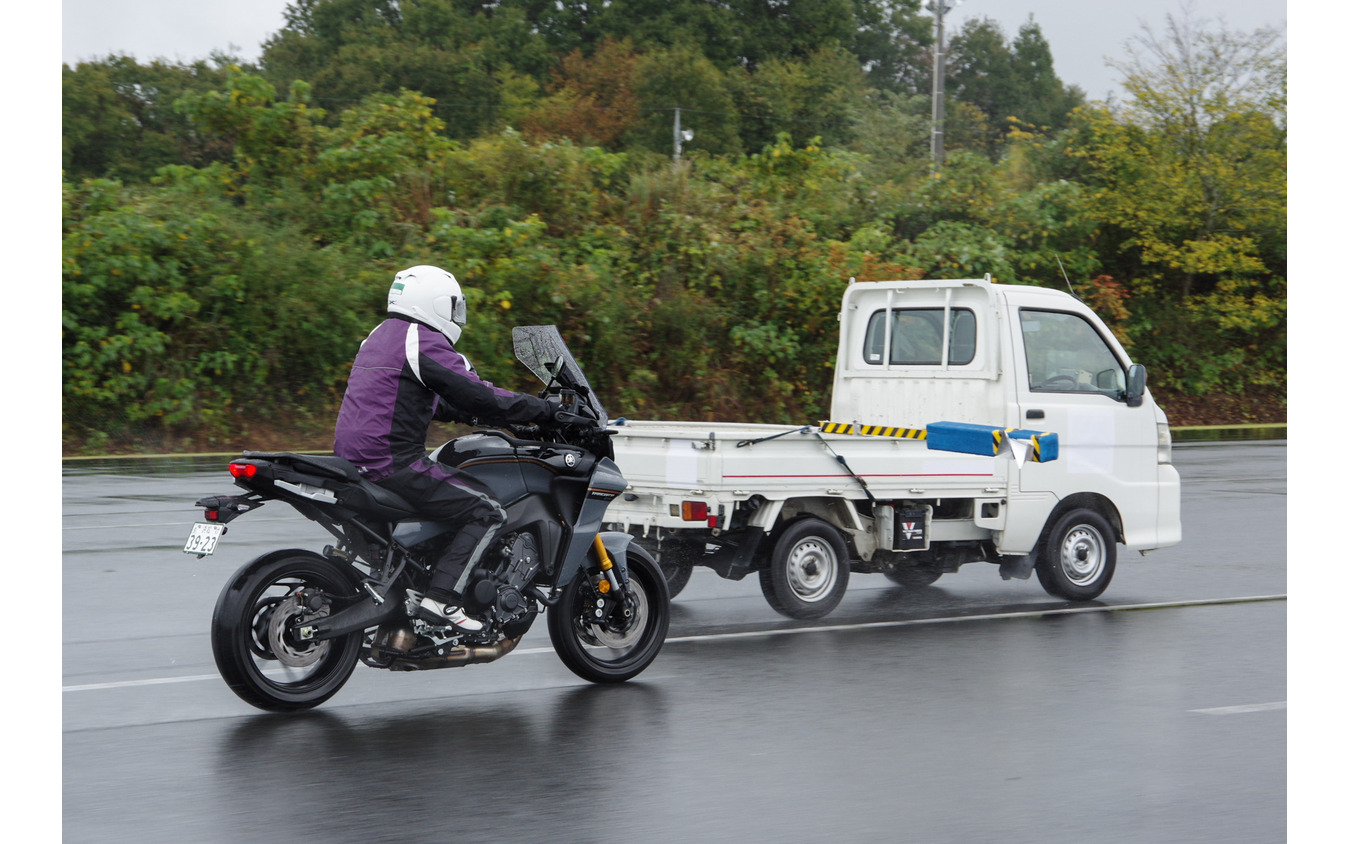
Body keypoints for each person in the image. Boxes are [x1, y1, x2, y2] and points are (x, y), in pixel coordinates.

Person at [333, 265, 554, 633]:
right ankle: (443, 599)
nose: (456, 316)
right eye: (454, 306)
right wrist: (544, 410)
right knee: (487, 509)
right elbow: (480, 394)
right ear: (433, 303)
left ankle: (412, 585)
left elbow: (413, 399)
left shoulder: (379, 336)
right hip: (391, 464)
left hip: (353, 461)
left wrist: (477, 415)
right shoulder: (420, 339)